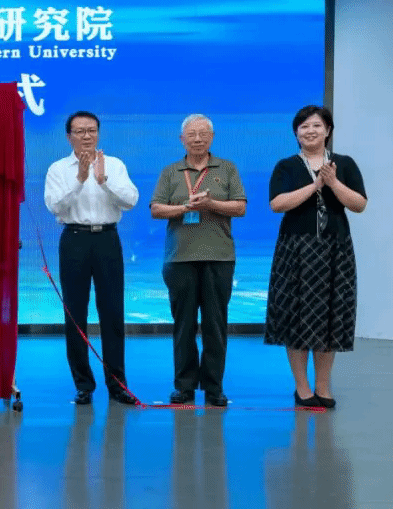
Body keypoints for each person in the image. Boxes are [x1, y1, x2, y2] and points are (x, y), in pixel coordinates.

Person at [265, 105, 366, 409]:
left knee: (330, 316)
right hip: (295, 248)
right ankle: (302, 387)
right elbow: (277, 204)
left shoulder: (344, 164)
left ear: (328, 130)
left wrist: (333, 182)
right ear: (296, 133)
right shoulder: (286, 166)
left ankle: (323, 385)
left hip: (335, 249)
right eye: (304, 127)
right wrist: (315, 185)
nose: (310, 131)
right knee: (295, 316)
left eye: (316, 126)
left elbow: (359, 204)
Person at [149, 114, 247, 407]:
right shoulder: (170, 171)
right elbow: (156, 209)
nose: (197, 138)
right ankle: (184, 386)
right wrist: (184, 207)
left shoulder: (227, 168)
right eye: (191, 134)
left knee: (216, 324)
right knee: (184, 325)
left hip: (219, 257)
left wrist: (211, 204)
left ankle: (214, 387)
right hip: (180, 258)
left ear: (212, 137)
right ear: (182, 139)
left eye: (203, 133)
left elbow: (240, 207)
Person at [44, 111, 139, 405]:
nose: (87, 136)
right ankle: (83, 384)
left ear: (98, 133)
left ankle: (117, 384)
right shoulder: (58, 169)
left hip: (107, 239)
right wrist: (80, 180)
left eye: (92, 130)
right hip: (75, 240)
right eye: (80, 131)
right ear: (68, 136)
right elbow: (55, 207)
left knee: (112, 311)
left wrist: (103, 179)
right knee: (75, 312)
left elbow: (131, 200)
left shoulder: (115, 165)